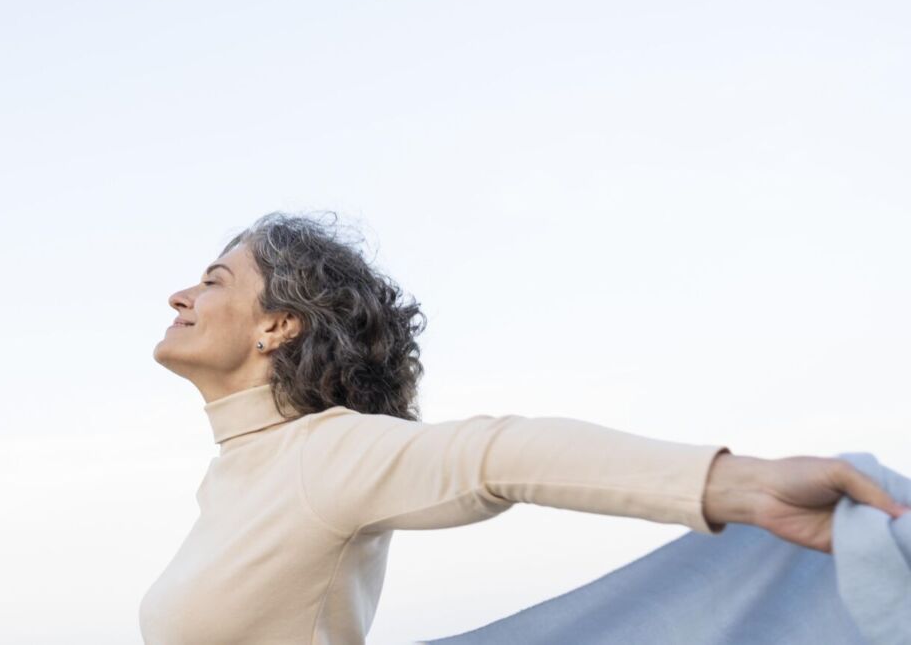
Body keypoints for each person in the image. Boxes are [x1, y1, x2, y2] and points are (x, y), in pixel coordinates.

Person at [138, 211, 909, 645]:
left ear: (278, 324)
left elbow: (495, 453)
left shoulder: (324, 453)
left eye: (213, 280)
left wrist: (742, 486)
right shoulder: (234, 474)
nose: (181, 295)